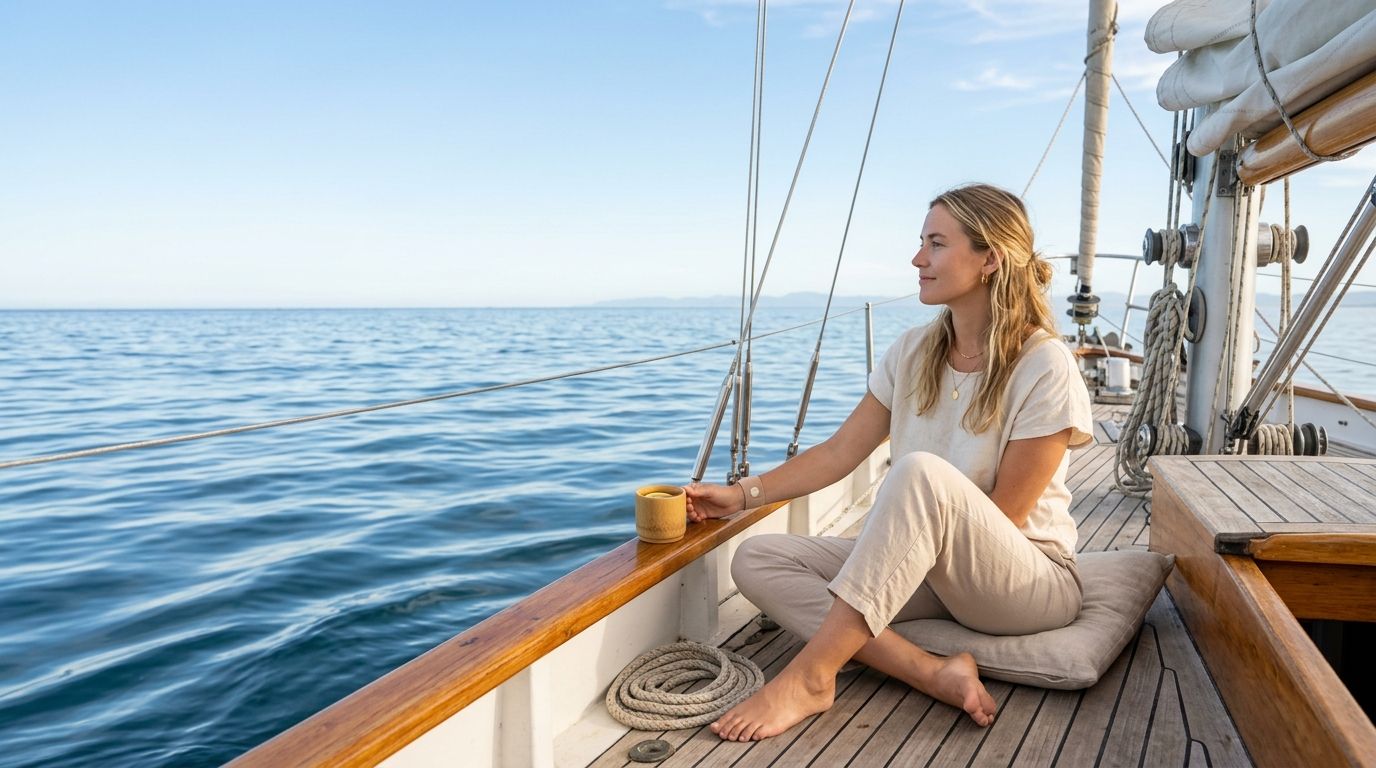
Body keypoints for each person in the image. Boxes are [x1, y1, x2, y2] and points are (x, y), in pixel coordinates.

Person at [684, 183, 1093, 742]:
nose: (917, 259)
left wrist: (887, 567)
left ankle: (812, 675)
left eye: (936, 244)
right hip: (936, 573)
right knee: (758, 558)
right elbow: (838, 452)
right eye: (921, 243)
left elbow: (1006, 517)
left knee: (917, 472)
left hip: (1024, 578)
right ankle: (931, 671)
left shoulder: (1045, 364)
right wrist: (744, 494)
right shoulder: (913, 350)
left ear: (990, 258)